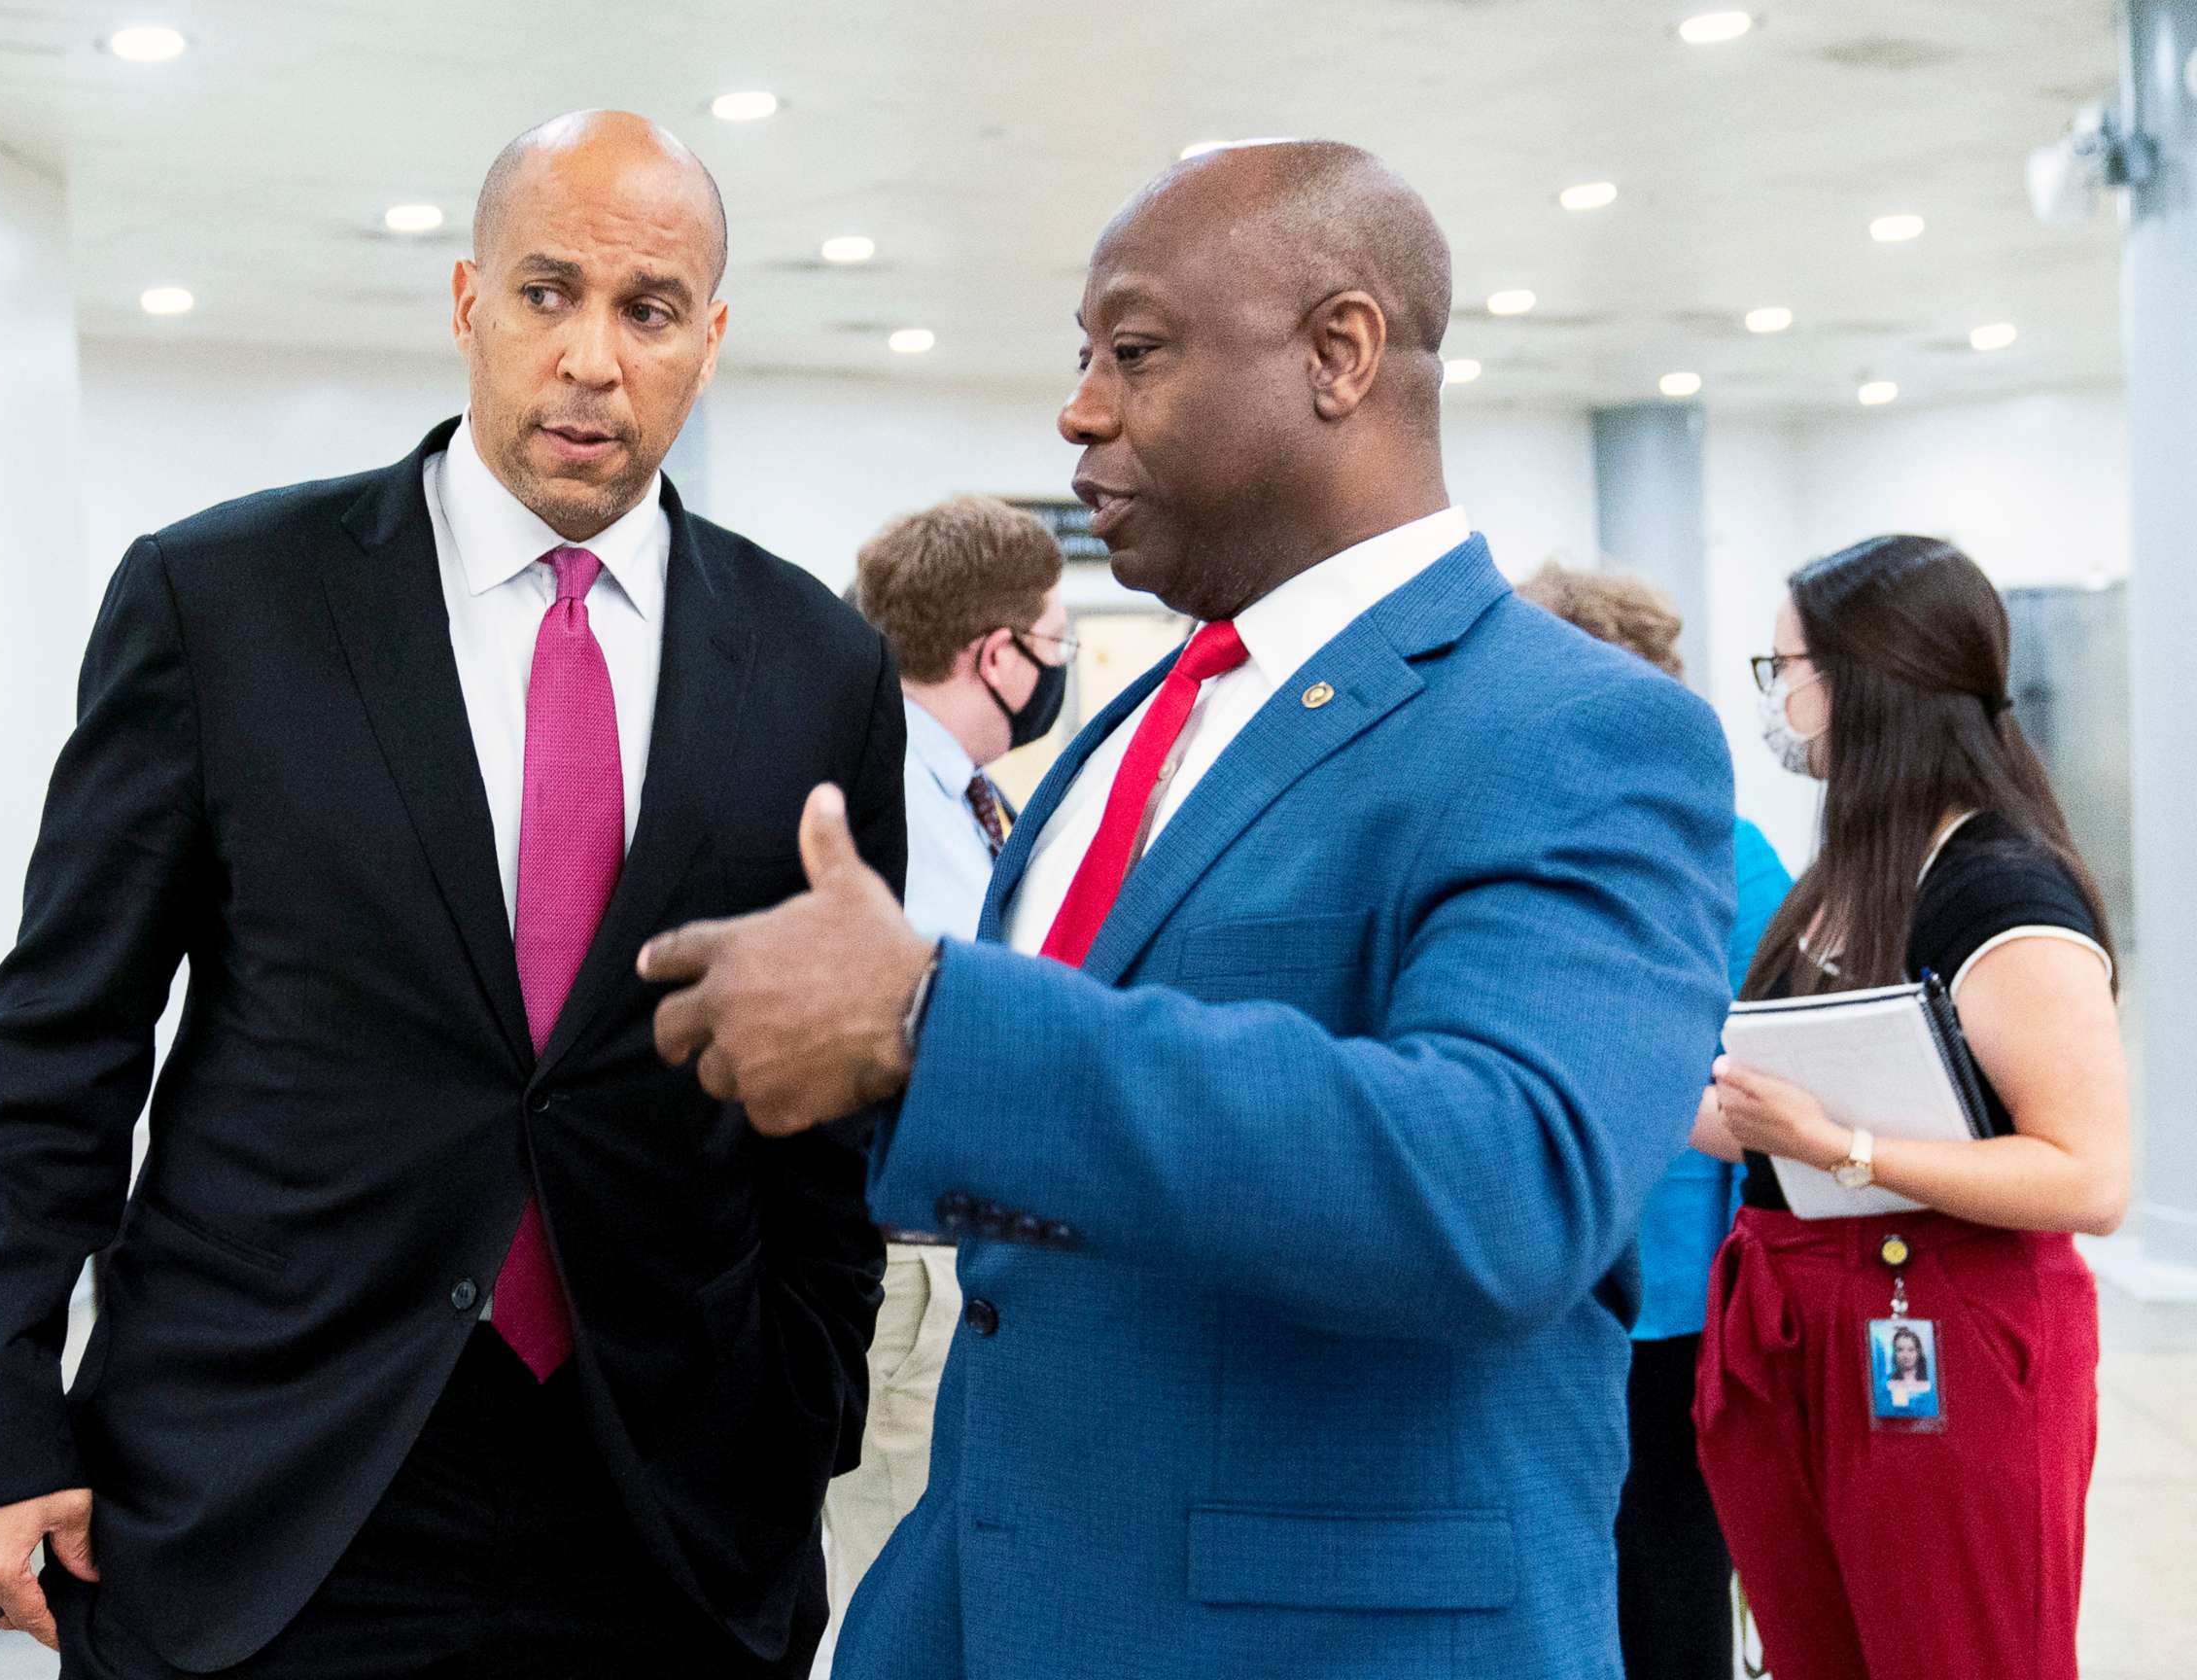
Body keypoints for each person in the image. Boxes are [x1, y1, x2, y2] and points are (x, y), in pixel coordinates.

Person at [636, 139, 1736, 1680]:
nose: (1080, 407)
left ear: (1339, 355)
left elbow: (1507, 1183)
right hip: (1002, 1605)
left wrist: (927, 1019)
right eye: (1082, 359)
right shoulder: (1137, 721)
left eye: (1135, 353)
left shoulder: (1574, 731)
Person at [0, 111, 902, 1678]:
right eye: (545, 292)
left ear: (706, 340)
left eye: (647, 310)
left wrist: (806, 1407)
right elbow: (61, 1041)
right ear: (465, 303)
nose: (591, 357)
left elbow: (831, 1112)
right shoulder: (222, 601)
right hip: (272, 1483)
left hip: (666, 1500)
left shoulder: (816, 667)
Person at [1691, 535, 2129, 1680]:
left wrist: (1846, 1148)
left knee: (1958, 1650)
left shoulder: (2000, 887)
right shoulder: (1846, 876)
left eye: (1787, 666)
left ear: (1869, 682)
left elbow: (2088, 1176)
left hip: (1943, 1334)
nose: (1778, 700)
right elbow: (1766, 1117)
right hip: (1795, 1320)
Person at [1515, 561, 1792, 1680]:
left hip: (1676, 1302)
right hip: (1534, 1286)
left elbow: (1769, 1093)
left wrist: (1595, 1079)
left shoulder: (1732, 855)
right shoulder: (1510, 847)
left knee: (1668, 1590)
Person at [824, 498, 1068, 1648]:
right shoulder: (887, 808)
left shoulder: (971, 800)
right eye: (1057, 646)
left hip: (966, 1269)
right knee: (896, 1604)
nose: (1058, 670)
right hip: (909, 1278)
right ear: (997, 654)